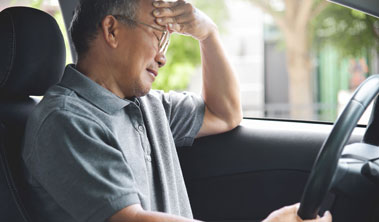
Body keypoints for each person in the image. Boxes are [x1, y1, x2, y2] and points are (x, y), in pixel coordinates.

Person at [22, 0, 332, 222]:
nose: (163, 57)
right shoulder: (64, 121)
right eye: (158, 35)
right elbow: (130, 219)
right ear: (112, 30)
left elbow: (224, 114)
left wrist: (207, 33)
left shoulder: (147, 105)